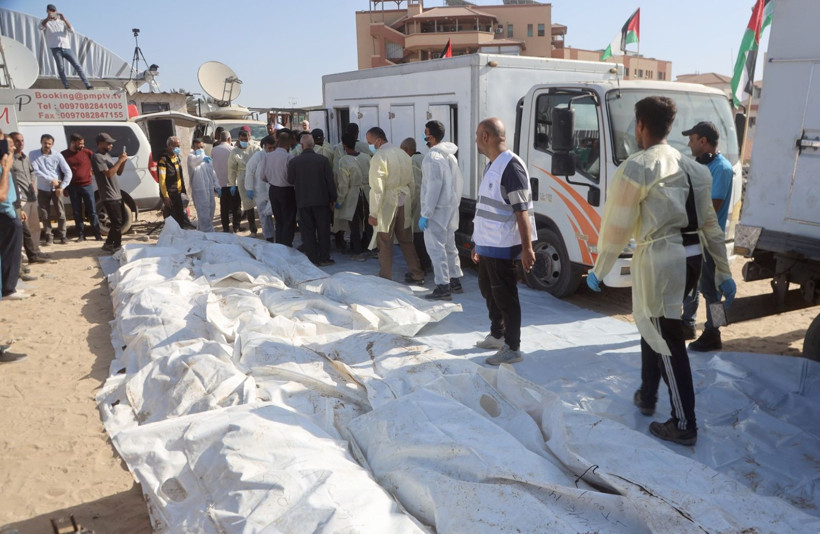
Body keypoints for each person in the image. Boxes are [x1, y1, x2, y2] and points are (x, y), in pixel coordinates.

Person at [587, 96, 736, 446]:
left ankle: (684, 423)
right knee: (653, 325)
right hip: (691, 257)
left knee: (667, 338)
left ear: (640, 125)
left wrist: (601, 267)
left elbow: (616, 226)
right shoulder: (695, 168)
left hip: (660, 259)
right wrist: (723, 271)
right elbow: (711, 225)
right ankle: (648, 393)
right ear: (670, 128)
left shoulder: (638, 166)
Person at [471, 118, 536, 365]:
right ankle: (497, 334)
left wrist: (527, 248)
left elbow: (522, 211)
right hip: (488, 244)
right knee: (488, 290)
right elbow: (486, 209)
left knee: (506, 296)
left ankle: (512, 347)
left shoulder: (511, 167)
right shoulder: (492, 166)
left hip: (503, 246)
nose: (476, 139)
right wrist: (478, 242)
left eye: (478, 134)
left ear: (486, 136)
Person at [681, 121, 735, 351]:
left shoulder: (721, 168)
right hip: (694, 237)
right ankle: (687, 324)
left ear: (703, 141)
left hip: (710, 241)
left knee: (712, 292)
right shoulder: (700, 166)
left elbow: (710, 206)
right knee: (691, 285)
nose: (689, 143)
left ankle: (714, 333)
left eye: (692, 139)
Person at [365, 127, 424, 283]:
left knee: (384, 241)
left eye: (370, 142)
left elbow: (377, 188)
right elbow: (412, 182)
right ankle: (417, 274)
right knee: (406, 240)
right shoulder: (403, 154)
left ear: (378, 140)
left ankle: (385, 277)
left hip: (387, 202)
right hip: (404, 199)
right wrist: (410, 203)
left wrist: (373, 213)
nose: (369, 145)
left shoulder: (379, 157)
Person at [420, 120, 464, 301]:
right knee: (449, 246)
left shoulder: (432, 158)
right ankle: (455, 281)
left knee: (435, 248)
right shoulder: (450, 156)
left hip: (436, 210)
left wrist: (426, 214)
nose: (424, 136)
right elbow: (458, 184)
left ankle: (442, 286)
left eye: (425, 133)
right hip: (450, 208)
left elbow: (433, 187)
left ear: (431, 136)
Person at [288, 134, 336, 266]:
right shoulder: (323, 160)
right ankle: (324, 257)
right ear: (313, 145)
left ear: (301, 146)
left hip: (303, 201)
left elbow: (290, 180)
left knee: (307, 231)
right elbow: (330, 181)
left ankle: (312, 258)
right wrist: (333, 198)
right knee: (323, 230)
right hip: (322, 201)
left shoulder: (294, 162)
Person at [9, 132, 50, 265]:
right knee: (22, 228)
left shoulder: (25, 158)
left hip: (32, 197)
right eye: (17, 141)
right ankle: (22, 254)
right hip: (21, 200)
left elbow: (32, 172)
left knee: (35, 226)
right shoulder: (9, 160)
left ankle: (35, 251)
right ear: (12, 143)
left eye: (22, 140)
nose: (20, 143)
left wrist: (33, 182)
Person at [335, 132, 371, 259]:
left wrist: (339, 199)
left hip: (353, 194)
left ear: (344, 145)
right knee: (368, 221)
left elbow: (343, 184)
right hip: (367, 192)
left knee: (354, 223)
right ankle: (371, 247)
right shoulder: (366, 157)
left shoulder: (343, 161)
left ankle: (357, 249)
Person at [30, 133, 71, 245]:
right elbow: (36, 171)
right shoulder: (33, 154)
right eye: (45, 143)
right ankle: (49, 237)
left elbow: (68, 172)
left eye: (49, 143)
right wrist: (50, 179)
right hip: (43, 188)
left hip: (57, 188)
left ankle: (63, 236)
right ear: (41, 143)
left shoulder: (57, 155)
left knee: (61, 213)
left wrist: (62, 186)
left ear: (52, 144)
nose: (47, 145)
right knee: (44, 214)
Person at [400, 137, 433, 275]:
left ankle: (422, 266)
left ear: (407, 150)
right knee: (426, 235)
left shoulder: (411, 161)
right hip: (429, 200)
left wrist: (408, 207)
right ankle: (428, 264)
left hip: (418, 202)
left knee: (417, 236)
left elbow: (414, 188)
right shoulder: (425, 158)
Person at [40, 4, 92, 90]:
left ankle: (87, 84)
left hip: (67, 47)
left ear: (56, 11)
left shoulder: (62, 22)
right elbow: (40, 27)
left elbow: (71, 30)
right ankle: (66, 86)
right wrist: (47, 19)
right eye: (50, 11)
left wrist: (64, 19)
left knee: (77, 65)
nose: (52, 12)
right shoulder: (45, 21)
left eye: (53, 11)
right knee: (60, 67)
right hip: (55, 48)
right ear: (47, 11)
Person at [61, 133, 102, 241]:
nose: (82, 146)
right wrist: (64, 187)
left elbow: (97, 163)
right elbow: (61, 172)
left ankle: (97, 234)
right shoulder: (64, 155)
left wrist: (92, 171)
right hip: (73, 187)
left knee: (92, 211)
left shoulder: (88, 153)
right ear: (73, 143)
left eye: (83, 143)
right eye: (80, 144)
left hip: (87, 186)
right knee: (77, 212)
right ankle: (81, 235)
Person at [0, 136, 26, 301]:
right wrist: (6, 169)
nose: (11, 148)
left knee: (11, 252)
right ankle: (8, 288)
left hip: (10, 211)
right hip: (6, 214)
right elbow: (2, 196)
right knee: (10, 252)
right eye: (8, 145)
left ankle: (9, 286)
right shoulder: (4, 167)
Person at [92, 133, 127, 253]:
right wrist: (120, 160)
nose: (111, 145)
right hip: (109, 195)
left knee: (120, 221)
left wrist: (123, 162)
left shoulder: (107, 155)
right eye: (108, 143)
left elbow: (119, 172)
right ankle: (116, 246)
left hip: (116, 193)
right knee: (117, 222)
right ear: (100, 144)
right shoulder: (97, 157)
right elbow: (109, 173)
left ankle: (108, 244)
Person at [263, 132, 296, 246]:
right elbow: (292, 178)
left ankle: (280, 243)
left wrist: (273, 180)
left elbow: (263, 176)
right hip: (287, 191)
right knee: (288, 219)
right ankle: (286, 245)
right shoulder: (289, 157)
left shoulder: (268, 156)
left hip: (273, 190)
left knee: (278, 219)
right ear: (288, 145)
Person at [228, 129, 260, 236]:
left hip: (256, 176)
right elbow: (231, 168)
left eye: (246, 139)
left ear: (249, 138)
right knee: (248, 205)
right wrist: (232, 184)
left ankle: (265, 226)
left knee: (261, 202)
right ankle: (253, 229)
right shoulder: (234, 152)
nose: (244, 141)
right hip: (242, 178)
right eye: (242, 139)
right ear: (238, 139)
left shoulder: (255, 149)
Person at [245, 135, 276, 241]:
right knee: (264, 215)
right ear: (264, 146)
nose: (271, 150)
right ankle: (269, 237)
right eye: (269, 148)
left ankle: (278, 234)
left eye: (273, 148)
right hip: (261, 190)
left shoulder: (276, 156)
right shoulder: (258, 156)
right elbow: (249, 171)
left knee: (276, 213)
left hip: (274, 189)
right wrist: (249, 188)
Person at [158, 136, 193, 229]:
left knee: (180, 217)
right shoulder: (163, 160)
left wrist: (183, 191)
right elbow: (162, 180)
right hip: (170, 194)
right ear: (169, 146)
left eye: (179, 146)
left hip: (178, 193)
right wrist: (165, 196)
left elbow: (180, 176)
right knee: (172, 220)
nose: (178, 148)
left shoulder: (177, 158)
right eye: (176, 146)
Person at [187, 138, 219, 232]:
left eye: (201, 147)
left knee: (211, 209)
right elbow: (195, 162)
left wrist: (217, 186)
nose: (200, 149)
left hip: (209, 189)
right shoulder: (191, 157)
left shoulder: (207, 158)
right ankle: (207, 232)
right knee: (203, 212)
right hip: (199, 190)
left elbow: (212, 173)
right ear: (193, 146)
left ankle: (202, 230)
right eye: (198, 147)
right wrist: (202, 157)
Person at [212, 131, 240, 232]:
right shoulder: (233, 150)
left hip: (220, 183)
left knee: (224, 207)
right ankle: (236, 227)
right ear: (229, 139)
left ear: (220, 139)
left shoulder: (214, 150)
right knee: (236, 206)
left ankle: (225, 227)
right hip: (233, 183)